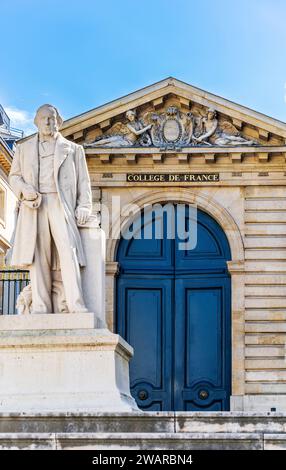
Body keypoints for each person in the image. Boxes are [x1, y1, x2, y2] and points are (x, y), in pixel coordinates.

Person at [9, 104, 92, 313]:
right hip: (34, 205)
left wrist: (84, 205)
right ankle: (40, 307)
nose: (48, 122)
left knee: (68, 251)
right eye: (44, 118)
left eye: (52, 118)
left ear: (59, 121)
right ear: (36, 122)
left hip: (60, 202)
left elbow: (84, 182)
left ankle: (76, 304)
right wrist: (24, 189)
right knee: (38, 256)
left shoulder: (74, 149)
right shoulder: (23, 148)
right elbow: (14, 176)